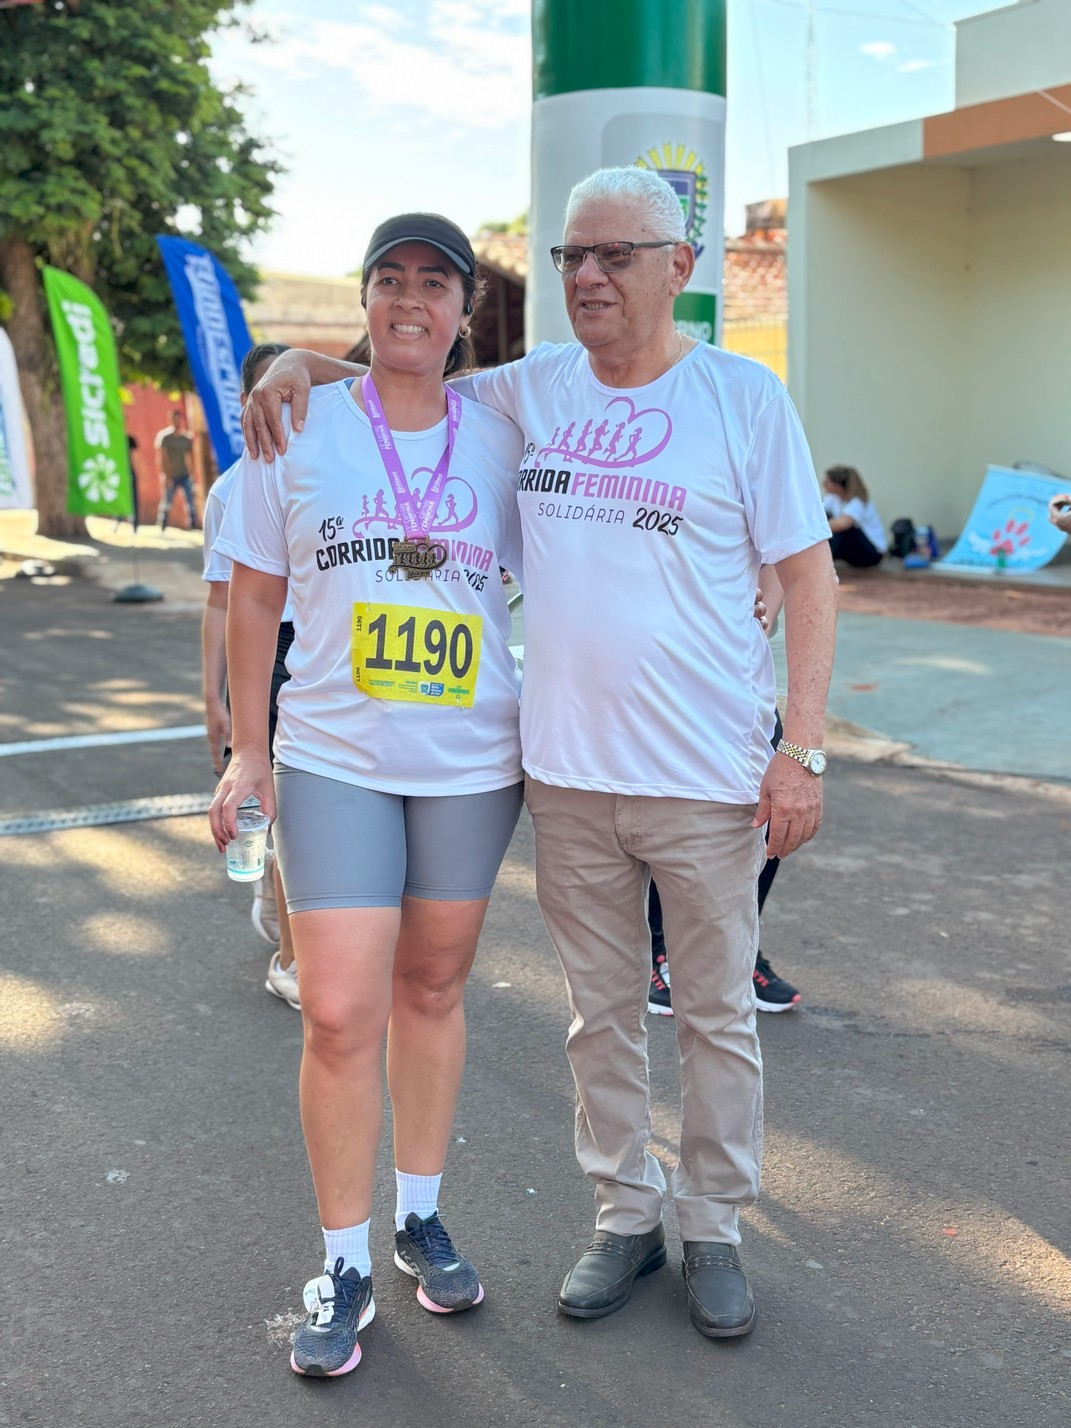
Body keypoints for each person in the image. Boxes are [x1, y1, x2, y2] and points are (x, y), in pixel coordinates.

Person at [243, 167, 837, 1343]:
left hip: (710, 776)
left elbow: (808, 574)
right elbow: (405, 374)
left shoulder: (744, 398)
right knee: (601, 1015)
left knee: (714, 1014)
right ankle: (625, 1214)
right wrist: (299, 366)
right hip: (563, 775)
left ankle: (712, 1224)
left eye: (617, 255)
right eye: (573, 258)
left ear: (680, 266)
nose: (591, 278)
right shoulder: (531, 389)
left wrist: (801, 749)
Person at [208, 213, 524, 1378]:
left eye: (433, 285)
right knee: (341, 1011)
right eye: (388, 280)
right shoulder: (294, 425)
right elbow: (251, 600)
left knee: (432, 987)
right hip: (335, 753)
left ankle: (418, 1214)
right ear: (365, 297)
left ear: (463, 310)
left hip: (473, 766)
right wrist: (250, 752)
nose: (409, 301)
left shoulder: (503, 429)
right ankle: (341, 1262)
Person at [649, 572, 802, 1017]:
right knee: (670, 807)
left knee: (769, 811)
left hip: (734, 669)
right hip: (658, 658)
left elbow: (789, 557)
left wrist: (763, 618)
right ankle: (660, 952)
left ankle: (741, 945)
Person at [202, 341, 299, 1010]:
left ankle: (286, 904)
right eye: (269, 394)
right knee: (279, 807)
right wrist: (213, 696)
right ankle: (293, 955)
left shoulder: (323, 467)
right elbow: (220, 601)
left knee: (306, 807)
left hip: (323, 649)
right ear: (246, 404)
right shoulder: (230, 488)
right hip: (261, 650)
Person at [822, 464, 886, 567]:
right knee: (825, 516)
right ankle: (821, 559)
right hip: (853, 552)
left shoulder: (858, 501)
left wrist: (815, 528)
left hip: (872, 553)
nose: (823, 485)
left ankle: (823, 563)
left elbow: (842, 524)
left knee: (844, 528)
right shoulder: (832, 499)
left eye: (826, 483)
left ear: (837, 486)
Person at [155, 407, 199, 530]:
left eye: (178, 420)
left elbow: (191, 458)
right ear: (170, 421)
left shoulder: (186, 438)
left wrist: (193, 474)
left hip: (184, 473)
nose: (177, 422)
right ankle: (162, 523)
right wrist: (165, 475)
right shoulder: (165, 438)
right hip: (171, 474)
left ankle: (192, 524)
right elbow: (162, 458)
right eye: (174, 420)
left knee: (190, 500)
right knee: (167, 501)